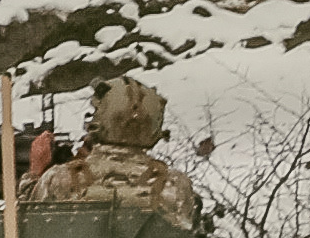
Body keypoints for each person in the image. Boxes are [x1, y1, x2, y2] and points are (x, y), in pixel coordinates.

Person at [21, 74, 204, 226]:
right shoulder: (176, 185)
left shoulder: (60, 179)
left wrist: (35, 172)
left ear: (98, 121)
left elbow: (26, 225)